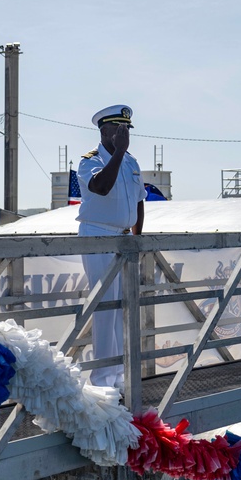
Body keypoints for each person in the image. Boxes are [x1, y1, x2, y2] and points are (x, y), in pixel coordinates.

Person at [76, 104, 146, 388]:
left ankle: (119, 376)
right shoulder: (90, 160)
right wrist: (117, 152)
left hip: (124, 239)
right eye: (119, 129)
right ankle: (103, 379)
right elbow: (101, 187)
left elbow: (140, 201)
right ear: (104, 131)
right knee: (106, 308)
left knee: (122, 309)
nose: (124, 133)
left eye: (127, 129)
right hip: (99, 235)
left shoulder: (130, 161)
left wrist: (137, 238)